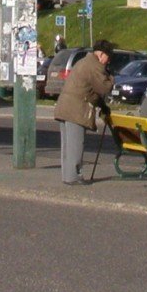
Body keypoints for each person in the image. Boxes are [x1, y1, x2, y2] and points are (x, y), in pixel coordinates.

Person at [53, 40, 117, 185]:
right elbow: (104, 88)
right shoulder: (94, 66)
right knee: (76, 145)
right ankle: (74, 177)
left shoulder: (83, 62)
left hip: (64, 107)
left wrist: (102, 106)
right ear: (101, 54)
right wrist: (111, 78)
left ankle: (67, 176)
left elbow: (90, 91)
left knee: (67, 146)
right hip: (76, 109)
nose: (108, 61)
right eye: (108, 57)